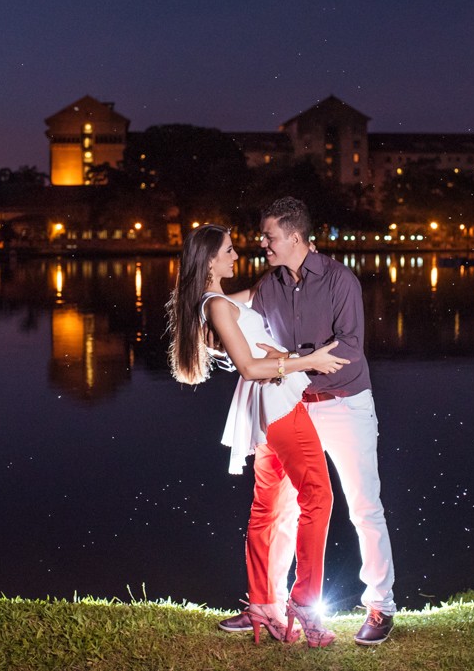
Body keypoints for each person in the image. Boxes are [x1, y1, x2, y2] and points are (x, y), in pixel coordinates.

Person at [217, 196, 397, 645]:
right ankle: (267, 605)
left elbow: (348, 349)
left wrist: (288, 359)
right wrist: (202, 302)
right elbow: (223, 307)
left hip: (345, 403)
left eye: (269, 237)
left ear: (295, 237)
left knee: (363, 506)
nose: (263, 244)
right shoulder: (268, 285)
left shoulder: (340, 281)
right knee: (280, 507)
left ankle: (380, 606)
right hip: (293, 407)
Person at [166, 223, 345, 647]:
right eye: (228, 250)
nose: (235, 255)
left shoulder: (219, 303)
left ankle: (264, 603)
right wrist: (308, 360)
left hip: (265, 409)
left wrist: (300, 260)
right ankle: (303, 601)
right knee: (317, 497)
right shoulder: (218, 306)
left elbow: (261, 312)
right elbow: (247, 366)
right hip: (279, 407)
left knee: (268, 506)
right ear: (210, 259)